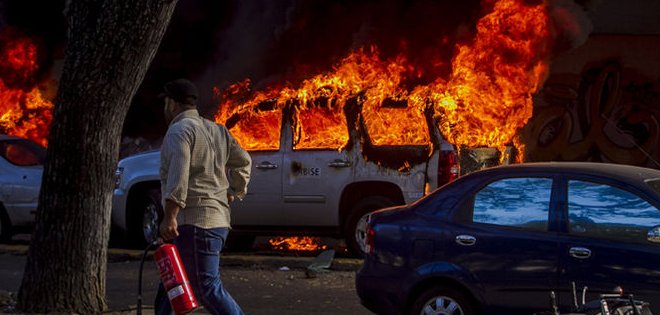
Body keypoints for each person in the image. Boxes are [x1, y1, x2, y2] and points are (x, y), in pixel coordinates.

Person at [155, 78, 251, 315]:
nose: (164, 107)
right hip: (216, 222)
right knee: (172, 285)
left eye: (165, 102)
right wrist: (234, 191)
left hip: (196, 223)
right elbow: (244, 161)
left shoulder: (179, 131)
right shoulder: (217, 130)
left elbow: (179, 174)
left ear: (173, 104)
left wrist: (170, 217)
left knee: (206, 287)